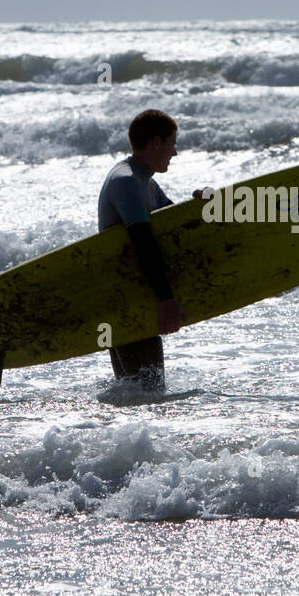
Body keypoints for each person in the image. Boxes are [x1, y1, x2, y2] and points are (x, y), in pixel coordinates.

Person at [97, 109, 190, 392]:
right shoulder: (127, 182)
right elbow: (143, 242)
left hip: (135, 299)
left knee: (139, 393)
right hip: (126, 304)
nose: (175, 152)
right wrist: (166, 300)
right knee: (145, 394)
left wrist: (203, 200)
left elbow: (178, 223)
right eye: (172, 143)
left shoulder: (145, 182)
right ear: (155, 143)